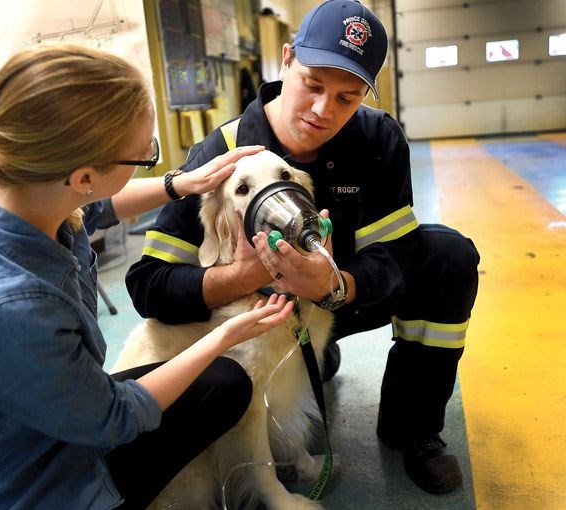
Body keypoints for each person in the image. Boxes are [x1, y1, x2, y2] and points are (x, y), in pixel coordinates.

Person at [0, 44, 295, 510]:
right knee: (220, 375)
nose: (149, 160)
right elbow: (114, 417)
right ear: (82, 175)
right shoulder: (9, 308)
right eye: (143, 156)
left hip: (35, 415)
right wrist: (222, 337)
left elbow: (93, 208)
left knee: (223, 383)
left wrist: (179, 183)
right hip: (18, 485)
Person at [126, 0, 480, 496]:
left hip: (342, 298)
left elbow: (397, 258)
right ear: (287, 59)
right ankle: (310, 355)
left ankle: (414, 428)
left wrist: (334, 284)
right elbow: (148, 286)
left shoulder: (379, 140)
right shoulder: (222, 154)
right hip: (262, 314)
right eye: (313, 85)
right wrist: (244, 277)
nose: (322, 111)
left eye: (347, 97)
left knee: (449, 256)